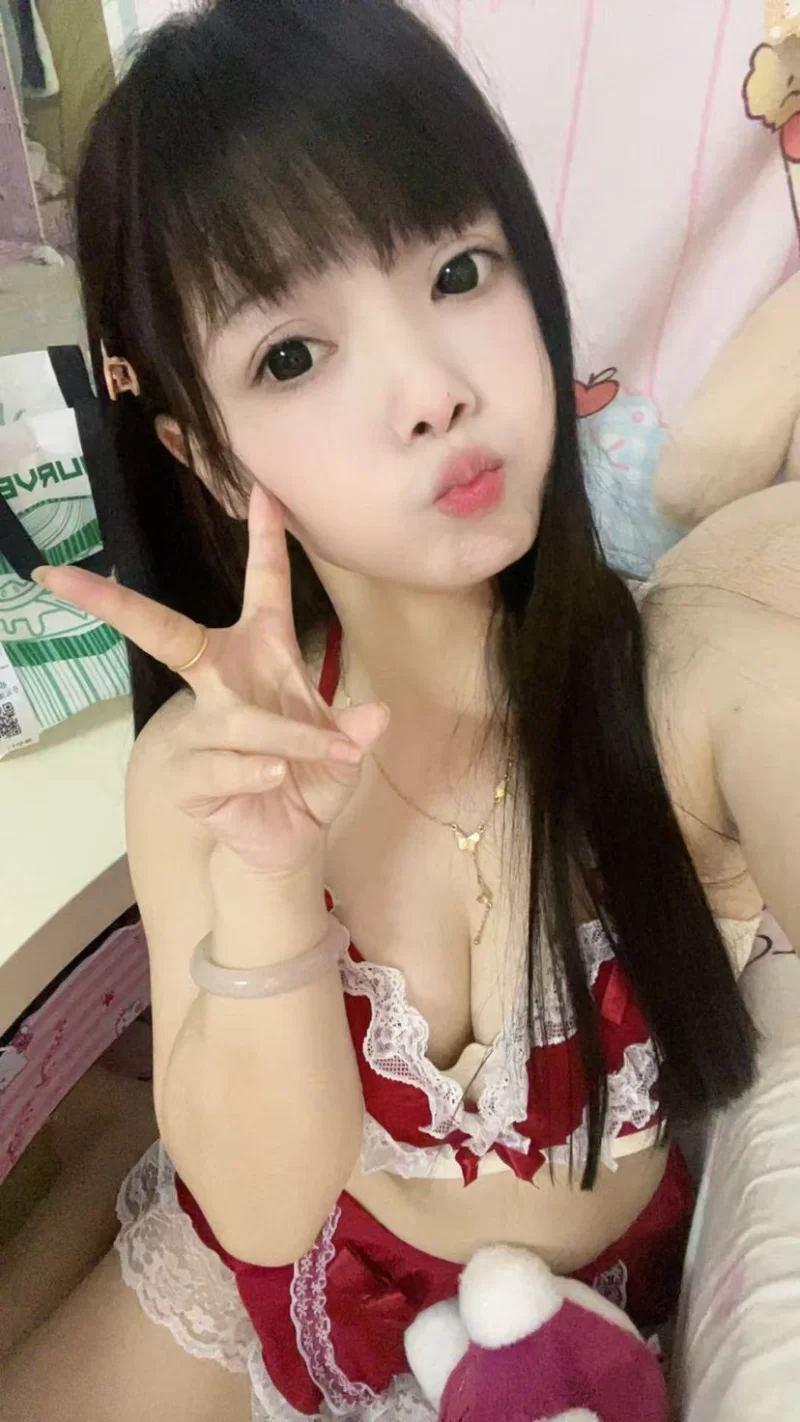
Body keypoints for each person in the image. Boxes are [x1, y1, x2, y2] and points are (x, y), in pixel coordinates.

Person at [2, 1, 798, 1418]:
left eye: (459, 269)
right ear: (204, 454)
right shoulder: (202, 773)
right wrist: (267, 876)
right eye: (291, 355)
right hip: (313, 1282)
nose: (433, 390)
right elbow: (262, 1212)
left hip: (591, 1325)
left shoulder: (694, 683)